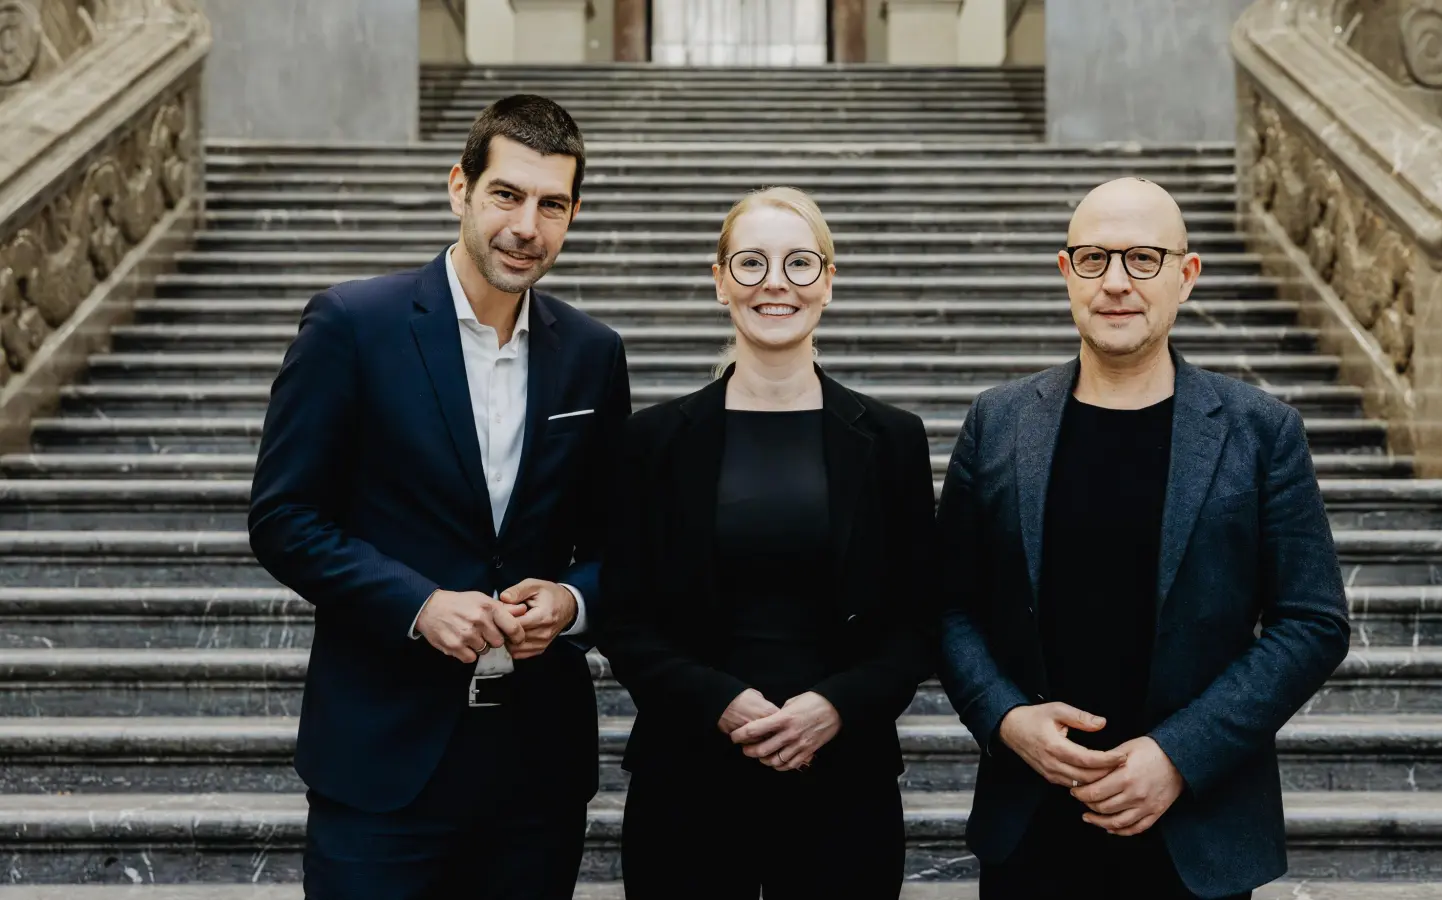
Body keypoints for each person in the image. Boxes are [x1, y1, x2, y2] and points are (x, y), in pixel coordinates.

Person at [247, 95, 630, 899]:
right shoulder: (352, 324)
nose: (527, 226)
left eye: (551, 205)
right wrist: (419, 604)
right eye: (507, 195)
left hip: (535, 771)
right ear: (460, 187)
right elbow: (284, 518)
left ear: (572, 215)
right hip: (382, 763)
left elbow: (618, 543)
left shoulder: (594, 354)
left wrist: (571, 599)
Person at [936, 177, 1351, 900]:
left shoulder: (1261, 431)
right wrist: (1007, 720)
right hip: (1032, 826)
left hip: (1197, 830)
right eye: (1094, 259)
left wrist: (1178, 755)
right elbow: (946, 605)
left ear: (1186, 276)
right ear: (1066, 274)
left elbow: (1312, 622)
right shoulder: (998, 424)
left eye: (1144, 259)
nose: (1117, 283)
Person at [595, 186, 935, 899]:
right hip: (686, 778)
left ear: (828, 282)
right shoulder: (652, 442)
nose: (774, 282)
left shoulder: (892, 440)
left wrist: (834, 706)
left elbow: (917, 620)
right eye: (750, 263)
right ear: (720, 281)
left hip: (846, 782)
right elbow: (624, 617)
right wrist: (720, 700)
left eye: (799, 263)